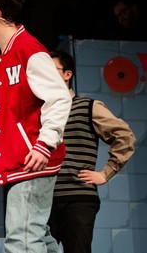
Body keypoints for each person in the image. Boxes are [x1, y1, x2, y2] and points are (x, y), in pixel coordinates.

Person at [0, 0, 72, 253]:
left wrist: (44, 144)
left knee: (22, 242)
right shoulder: (10, 49)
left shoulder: (29, 50)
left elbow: (59, 98)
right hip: (24, 160)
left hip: (31, 161)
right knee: (40, 239)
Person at [48, 50, 136, 253]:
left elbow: (124, 135)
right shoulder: (42, 112)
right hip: (45, 199)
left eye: (52, 70)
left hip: (78, 198)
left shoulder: (87, 106)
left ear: (67, 74)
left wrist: (106, 173)